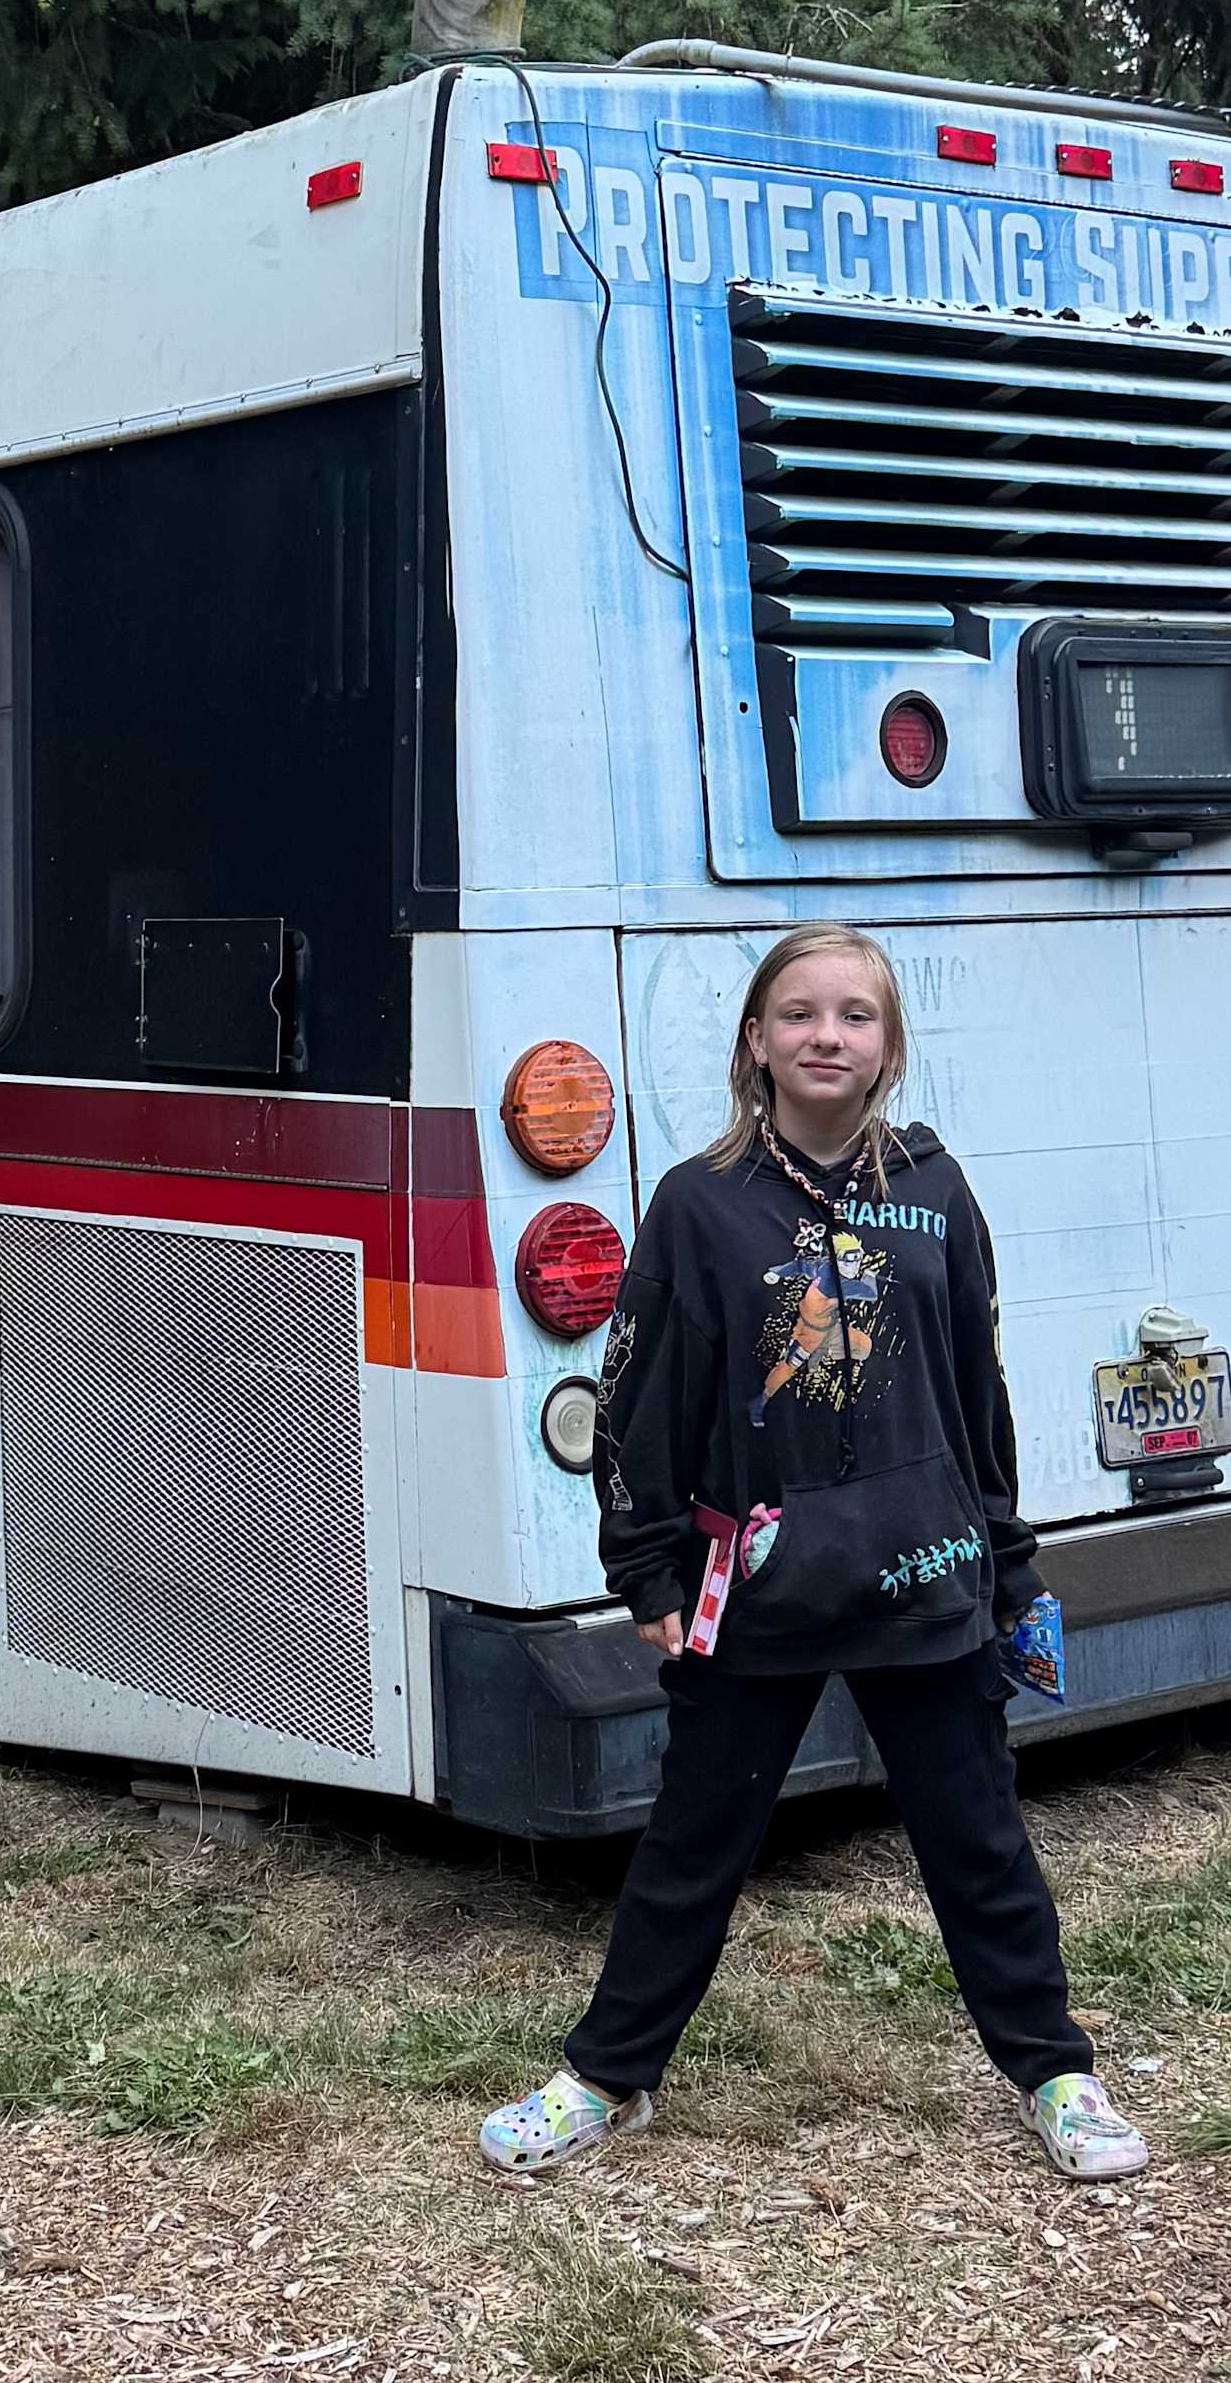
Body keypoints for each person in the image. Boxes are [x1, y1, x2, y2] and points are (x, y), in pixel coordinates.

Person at [480, 923, 1147, 2186]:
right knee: (693, 1842)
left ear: (889, 1045)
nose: (825, 1035)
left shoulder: (937, 1193)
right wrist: (648, 1569)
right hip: (759, 1590)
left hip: (925, 1572)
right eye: (798, 1013)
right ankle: (606, 2076)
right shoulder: (699, 1203)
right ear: (755, 1040)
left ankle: (1056, 2071)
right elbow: (640, 1402)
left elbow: (975, 1392)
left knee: (977, 1834)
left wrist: (1011, 1569)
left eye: (854, 1015)